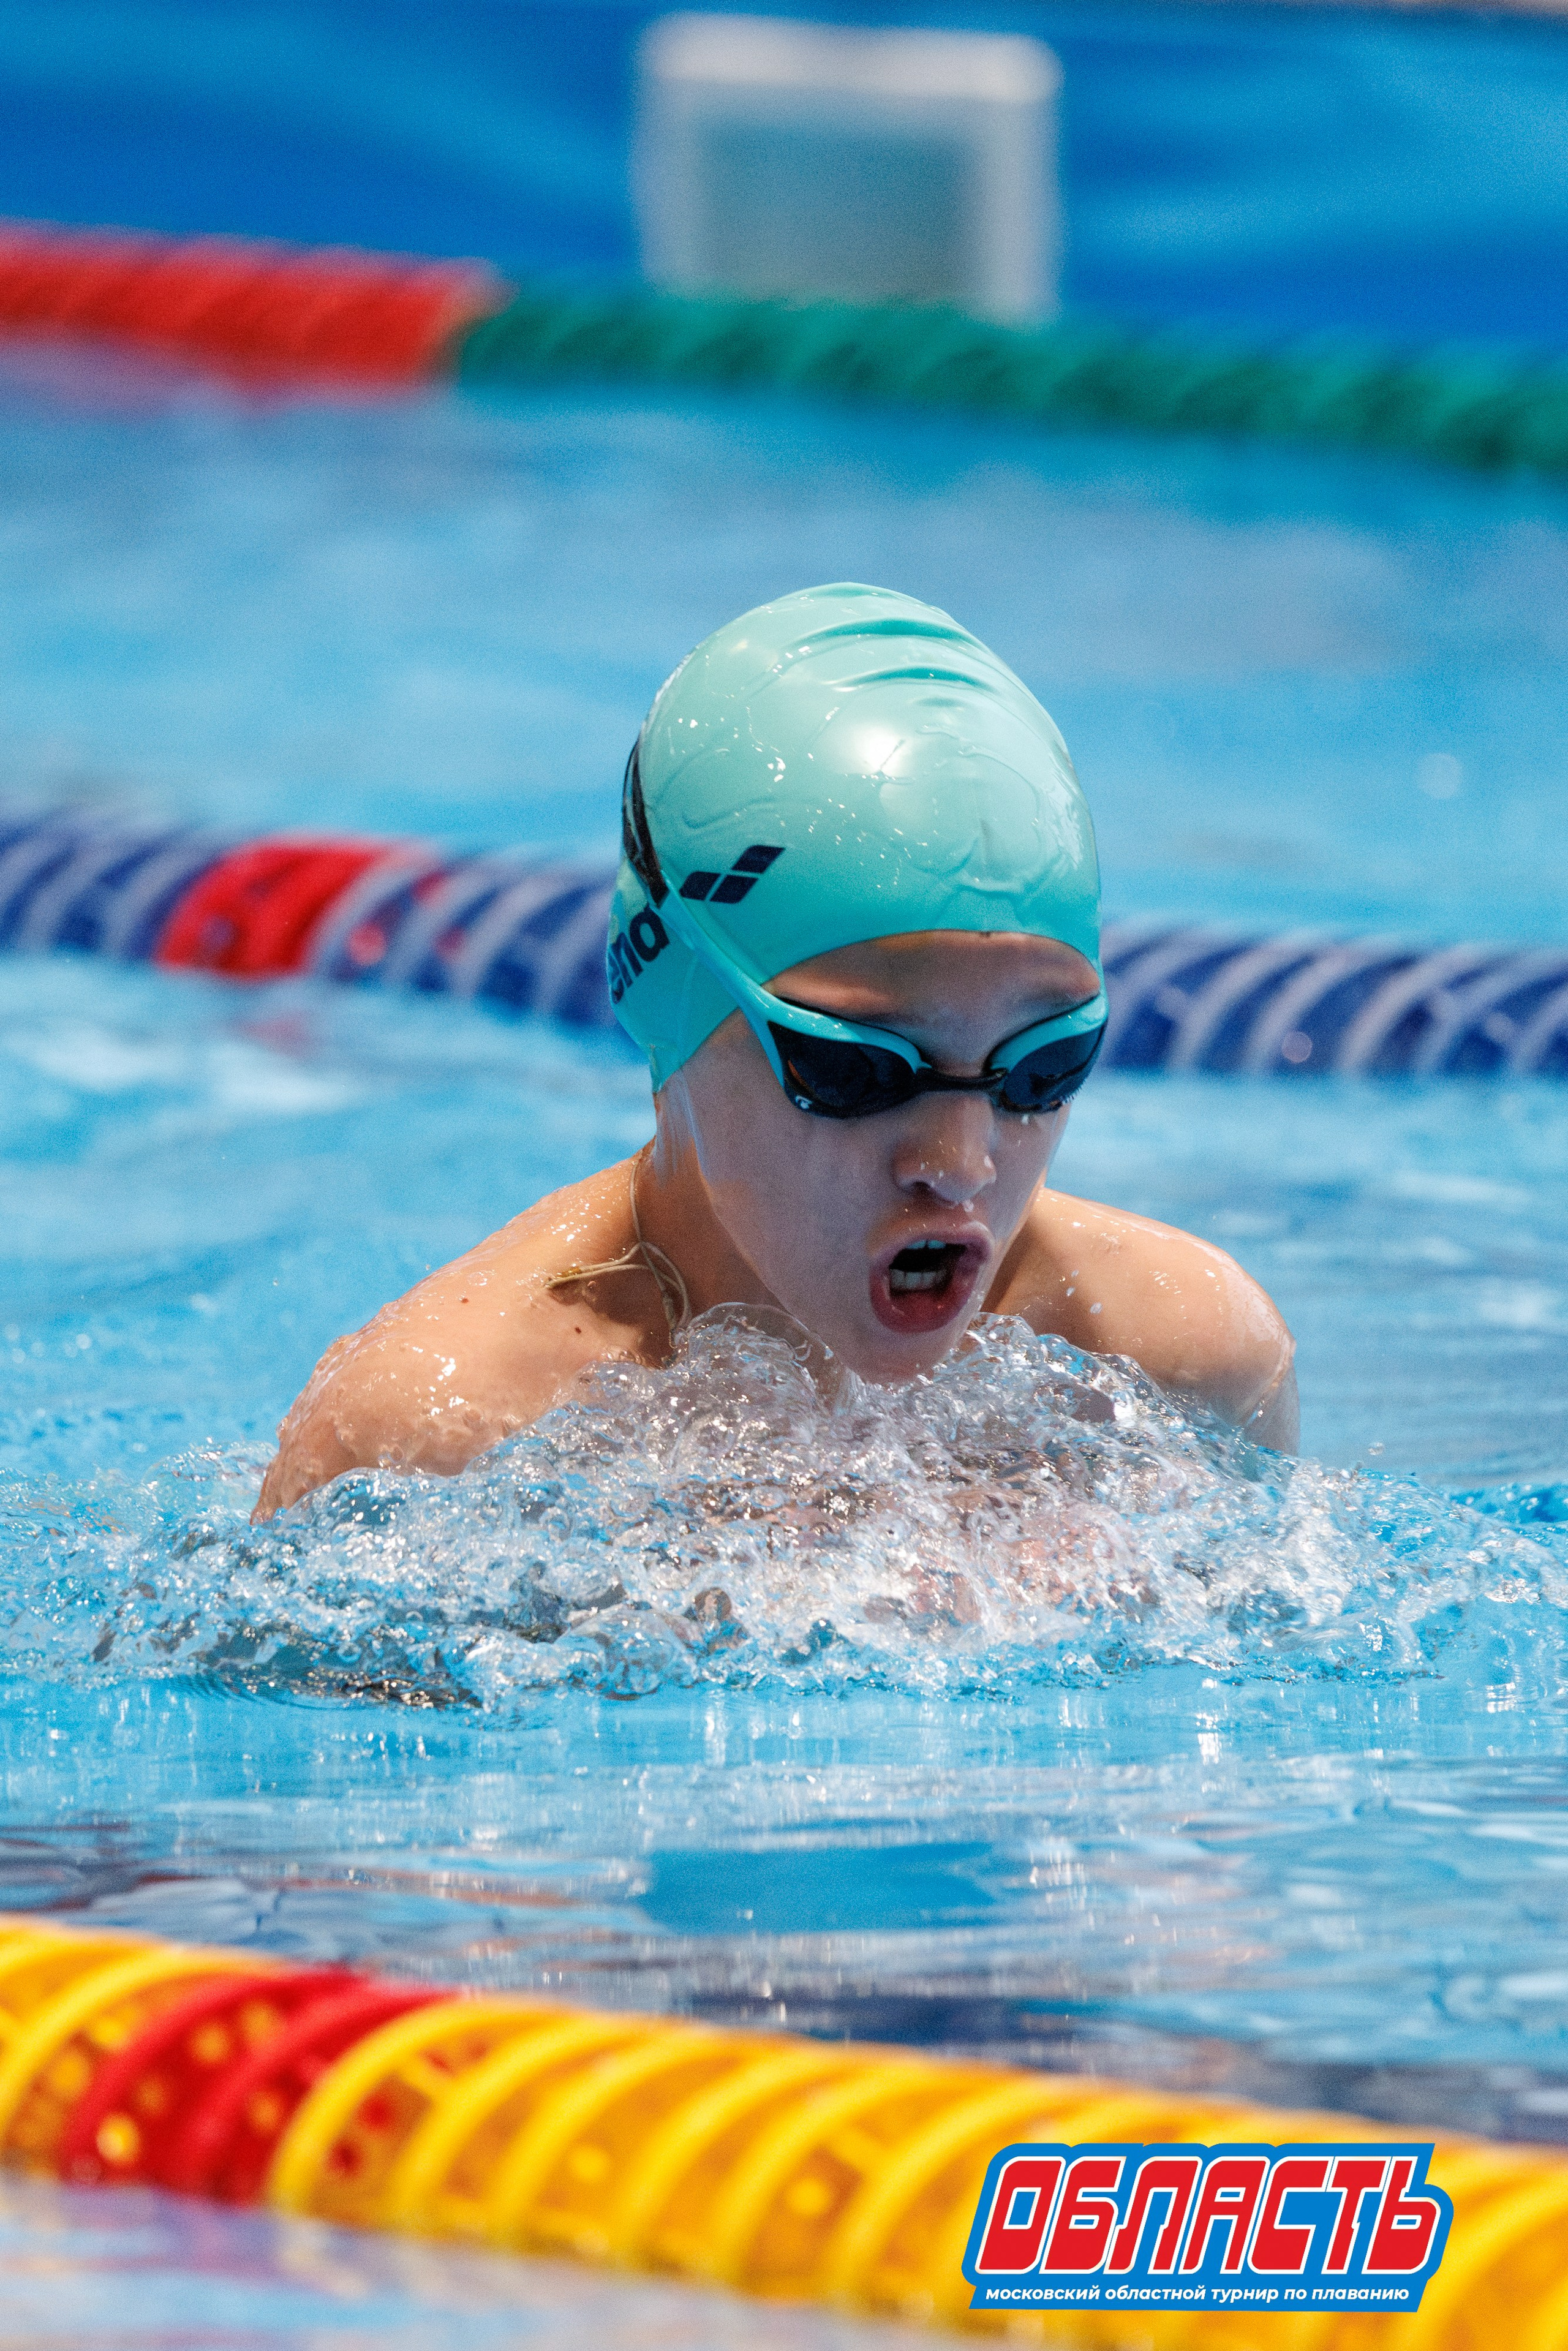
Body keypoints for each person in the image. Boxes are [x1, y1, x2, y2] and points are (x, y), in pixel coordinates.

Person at [256, 584, 1296, 1522]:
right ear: (672, 995)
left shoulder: (1183, 1370)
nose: (962, 1162)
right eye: (855, 1069)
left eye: (1041, 1069)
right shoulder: (428, 1447)